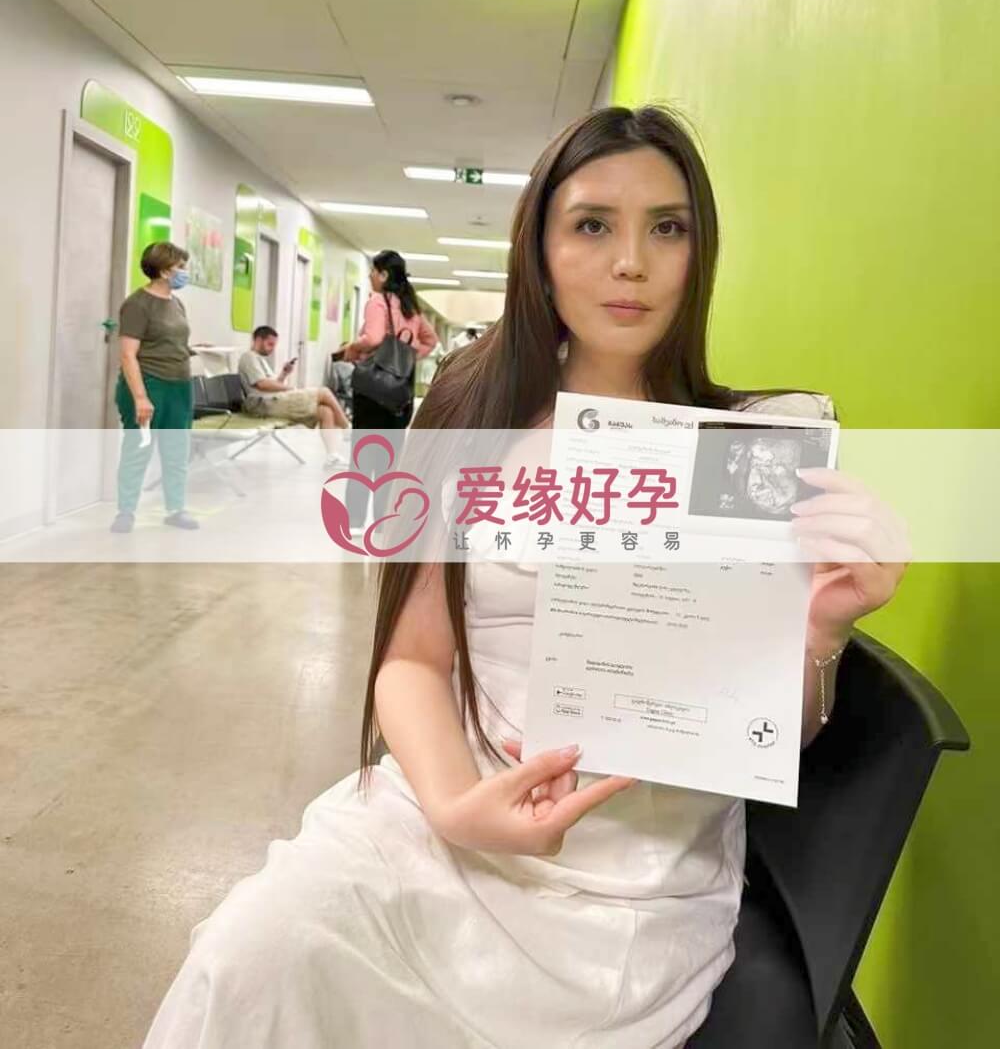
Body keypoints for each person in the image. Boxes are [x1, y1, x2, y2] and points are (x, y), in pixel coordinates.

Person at [142, 106, 907, 1048]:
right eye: (593, 224)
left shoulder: (746, 452)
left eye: (667, 227)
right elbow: (414, 659)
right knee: (253, 956)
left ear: (700, 251)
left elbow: (761, 730)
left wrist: (821, 631)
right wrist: (458, 807)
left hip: (637, 877)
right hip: (443, 812)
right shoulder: (472, 411)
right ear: (539, 249)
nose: (631, 262)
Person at [340, 250, 439, 525]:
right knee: (390, 457)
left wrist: (352, 347)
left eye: (373, 271)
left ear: (383, 275)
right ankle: (384, 519)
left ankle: (355, 519)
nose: (370, 276)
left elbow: (372, 338)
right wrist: (406, 357)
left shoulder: (377, 301)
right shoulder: (410, 306)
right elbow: (431, 340)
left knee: (362, 454)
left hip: (372, 389)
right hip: (399, 392)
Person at [112, 242, 198, 533]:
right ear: (163, 271)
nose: (185, 272)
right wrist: (140, 397)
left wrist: (186, 349)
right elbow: (128, 355)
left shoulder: (176, 302)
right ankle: (125, 512)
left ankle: (176, 509)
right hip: (149, 384)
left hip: (179, 386)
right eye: (180, 267)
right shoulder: (137, 304)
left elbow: (169, 339)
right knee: (138, 450)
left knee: (177, 452)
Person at [238, 326, 349, 466]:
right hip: (261, 405)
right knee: (324, 392)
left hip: (272, 401)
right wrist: (291, 389)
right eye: (270, 344)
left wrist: (284, 373)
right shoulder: (249, 357)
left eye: (274, 345)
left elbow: (271, 386)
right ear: (258, 340)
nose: (272, 349)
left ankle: (332, 456)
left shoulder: (260, 360)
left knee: (325, 411)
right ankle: (347, 429)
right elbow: (262, 384)